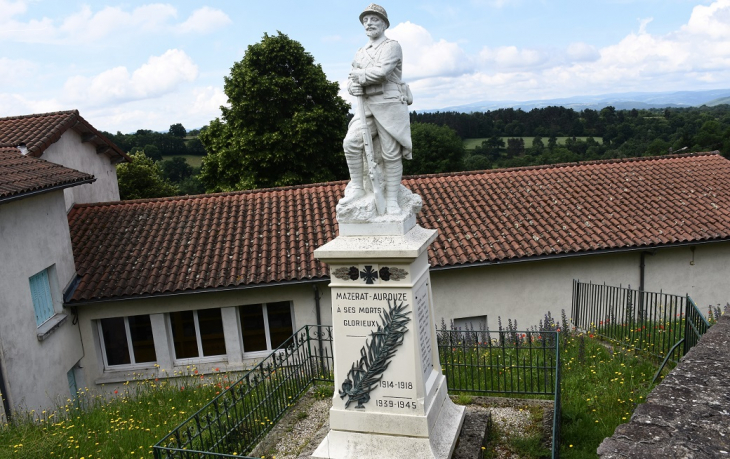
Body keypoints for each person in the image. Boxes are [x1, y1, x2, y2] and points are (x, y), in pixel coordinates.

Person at [339, 4, 412, 215]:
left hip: (389, 104)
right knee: (351, 143)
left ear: (384, 23)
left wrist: (359, 78)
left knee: (390, 154)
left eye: (374, 20)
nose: (369, 24)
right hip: (368, 105)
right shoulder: (361, 52)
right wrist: (352, 86)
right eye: (366, 21)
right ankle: (357, 188)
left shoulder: (392, 46)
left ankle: (391, 200)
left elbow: (382, 72)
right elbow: (352, 78)